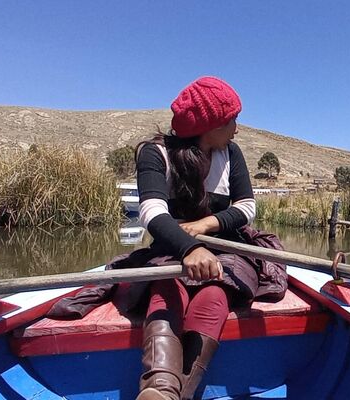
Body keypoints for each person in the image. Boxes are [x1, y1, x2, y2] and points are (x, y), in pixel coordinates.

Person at [135, 76, 261, 400]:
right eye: (231, 120)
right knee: (166, 288)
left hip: (224, 246)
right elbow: (151, 212)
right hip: (172, 248)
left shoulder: (231, 153)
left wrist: (206, 225)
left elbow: (247, 207)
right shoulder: (155, 153)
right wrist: (188, 248)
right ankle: (159, 390)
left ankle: (172, 395)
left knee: (215, 292)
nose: (236, 128)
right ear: (211, 124)